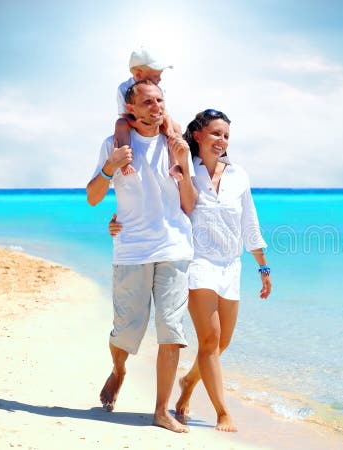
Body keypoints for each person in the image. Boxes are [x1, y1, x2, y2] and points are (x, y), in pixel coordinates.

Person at [110, 108, 272, 432]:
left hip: (231, 266)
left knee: (221, 343)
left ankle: (188, 384)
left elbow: (249, 223)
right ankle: (222, 412)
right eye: (215, 133)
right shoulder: (182, 167)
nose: (221, 140)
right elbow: (152, 202)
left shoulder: (239, 175)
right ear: (197, 135)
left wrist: (263, 266)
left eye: (226, 135)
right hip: (197, 262)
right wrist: (118, 222)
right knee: (209, 340)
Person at [87, 79, 197, 433]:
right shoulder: (114, 144)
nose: (157, 107)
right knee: (126, 331)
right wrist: (110, 166)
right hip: (132, 250)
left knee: (172, 329)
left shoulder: (175, 144)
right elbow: (92, 197)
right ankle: (119, 370)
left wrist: (182, 167)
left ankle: (161, 410)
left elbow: (190, 205)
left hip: (175, 248)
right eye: (148, 102)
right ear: (130, 108)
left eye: (160, 100)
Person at [114, 46, 184, 180]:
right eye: (156, 75)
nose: (160, 79)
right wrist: (137, 124)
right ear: (139, 74)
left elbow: (165, 113)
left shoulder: (158, 88)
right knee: (120, 124)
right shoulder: (124, 88)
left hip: (156, 119)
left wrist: (169, 129)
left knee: (176, 127)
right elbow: (124, 115)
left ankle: (175, 163)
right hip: (134, 121)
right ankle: (125, 162)